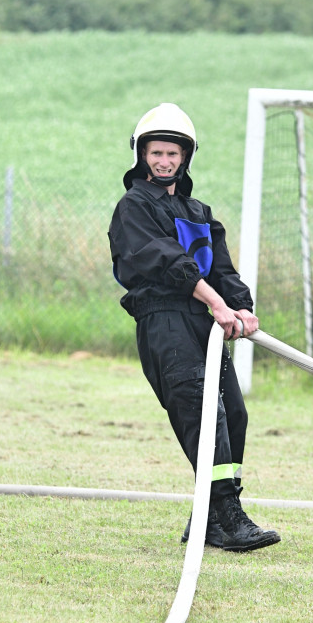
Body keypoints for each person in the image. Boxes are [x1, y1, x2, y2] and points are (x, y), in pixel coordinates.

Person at [108, 103, 280, 552]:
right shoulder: (133, 207)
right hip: (163, 321)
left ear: (186, 157)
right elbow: (169, 262)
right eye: (155, 152)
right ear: (141, 155)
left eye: (172, 153)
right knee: (203, 416)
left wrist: (241, 308)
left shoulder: (199, 211)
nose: (164, 161)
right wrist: (217, 304)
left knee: (233, 415)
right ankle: (229, 516)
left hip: (203, 324)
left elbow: (221, 268)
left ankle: (206, 521)